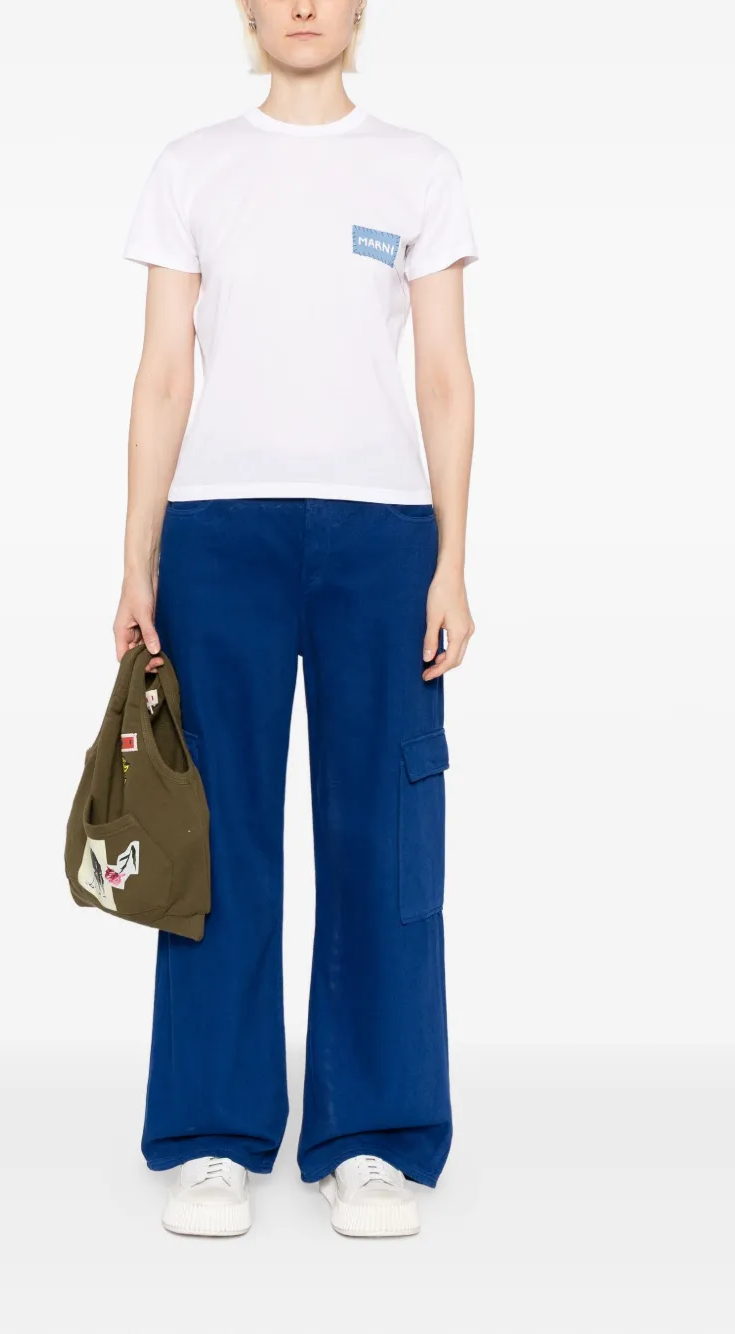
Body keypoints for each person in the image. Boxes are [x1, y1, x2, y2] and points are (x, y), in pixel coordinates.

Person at [114, 0, 478, 1238]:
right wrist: (137, 561)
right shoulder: (192, 166)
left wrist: (452, 560)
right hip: (220, 535)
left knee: (383, 833)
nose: (303, 6)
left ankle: (373, 1135)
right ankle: (212, 1133)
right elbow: (163, 374)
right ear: (249, 9)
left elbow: (444, 376)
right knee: (214, 835)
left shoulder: (418, 168)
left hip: (384, 538)